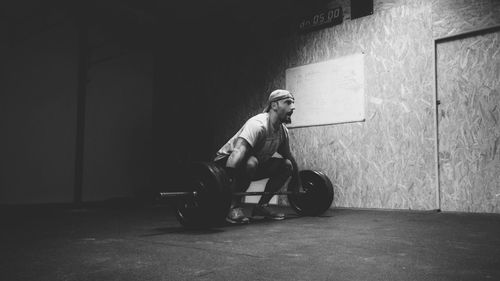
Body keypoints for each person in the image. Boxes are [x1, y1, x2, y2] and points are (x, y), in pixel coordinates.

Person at [214, 89, 302, 224]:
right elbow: (238, 152)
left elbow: (288, 156)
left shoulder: (282, 131)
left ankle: (262, 207)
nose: (293, 107)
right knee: (251, 161)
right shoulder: (258, 125)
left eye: (293, 103)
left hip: (250, 164)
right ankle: (232, 207)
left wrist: (297, 181)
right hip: (224, 165)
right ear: (274, 105)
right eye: (288, 102)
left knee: (286, 165)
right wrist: (226, 184)